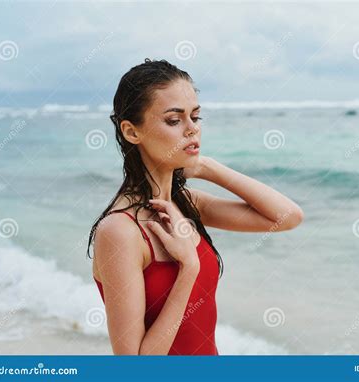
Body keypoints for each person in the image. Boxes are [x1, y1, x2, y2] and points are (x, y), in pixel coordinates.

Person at [87, 58, 304, 355]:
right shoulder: (120, 231)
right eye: (174, 120)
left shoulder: (188, 205)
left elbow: (288, 217)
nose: (192, 130)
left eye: (196, 118)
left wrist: (207, 167)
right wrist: (188, 267)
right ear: (131, 132)